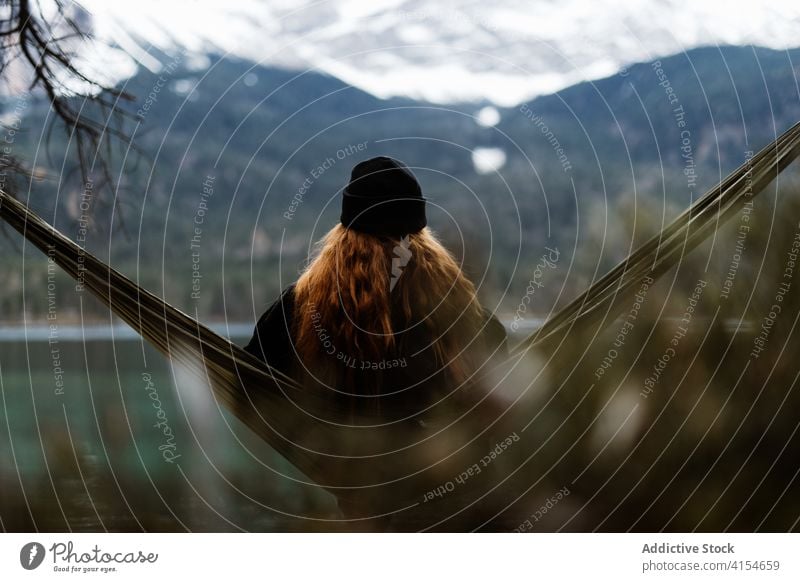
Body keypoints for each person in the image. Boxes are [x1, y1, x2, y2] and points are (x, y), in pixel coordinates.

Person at [243, 156, 508, 526]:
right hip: (448, 493)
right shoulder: (451, 300)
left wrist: (318, 451)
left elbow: (251, 379)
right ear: (419, 231)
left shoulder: (303, 306)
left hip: (359, 495)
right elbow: (498, 359)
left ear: (348, 228)